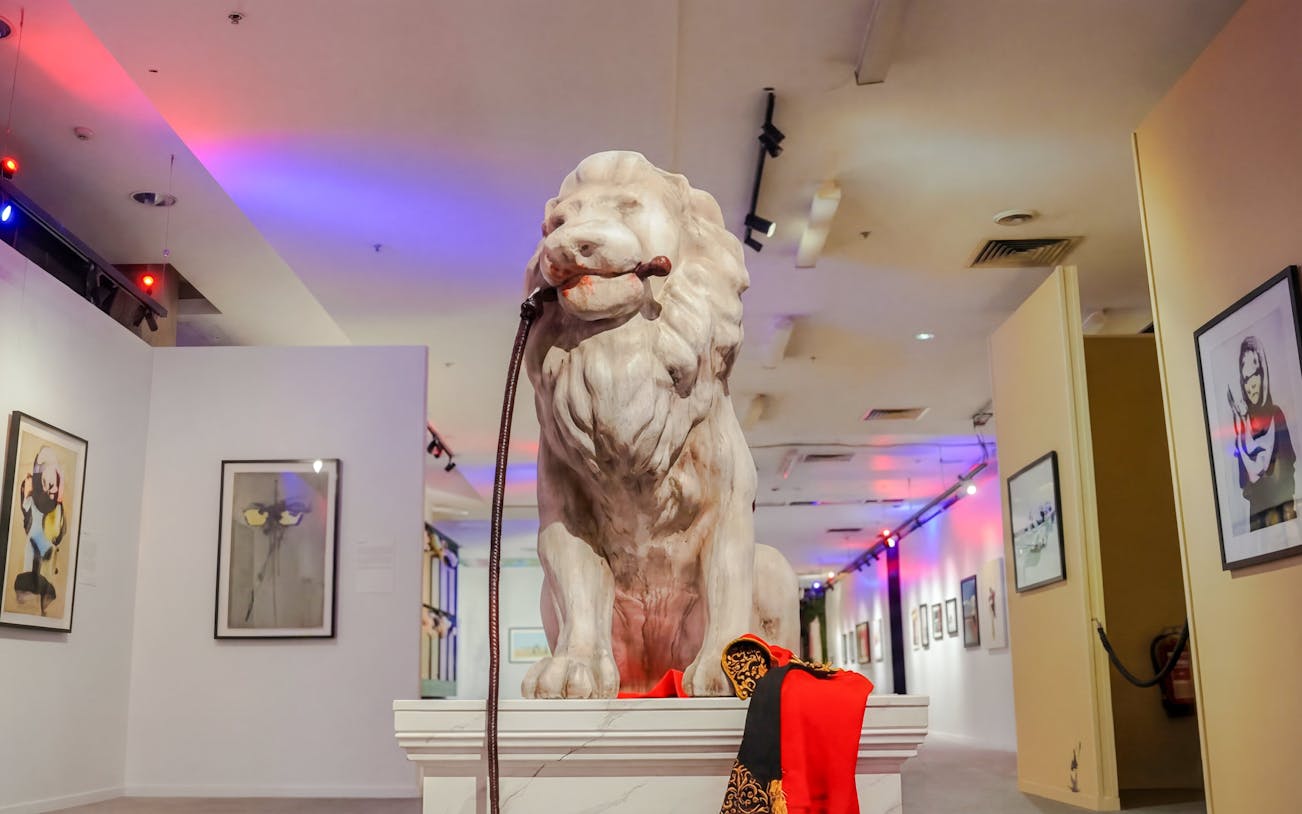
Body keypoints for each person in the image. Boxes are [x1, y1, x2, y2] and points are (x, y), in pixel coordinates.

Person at [1229, 336, 1297, 530]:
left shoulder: (1276, 414)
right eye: (1246, 378)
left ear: (1263, 373)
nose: (1251, 385)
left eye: (1255, 374)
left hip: (1285, 516)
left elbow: (1288, 467)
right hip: (1257, 521)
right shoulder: (1242, 427)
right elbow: (1244, 482)